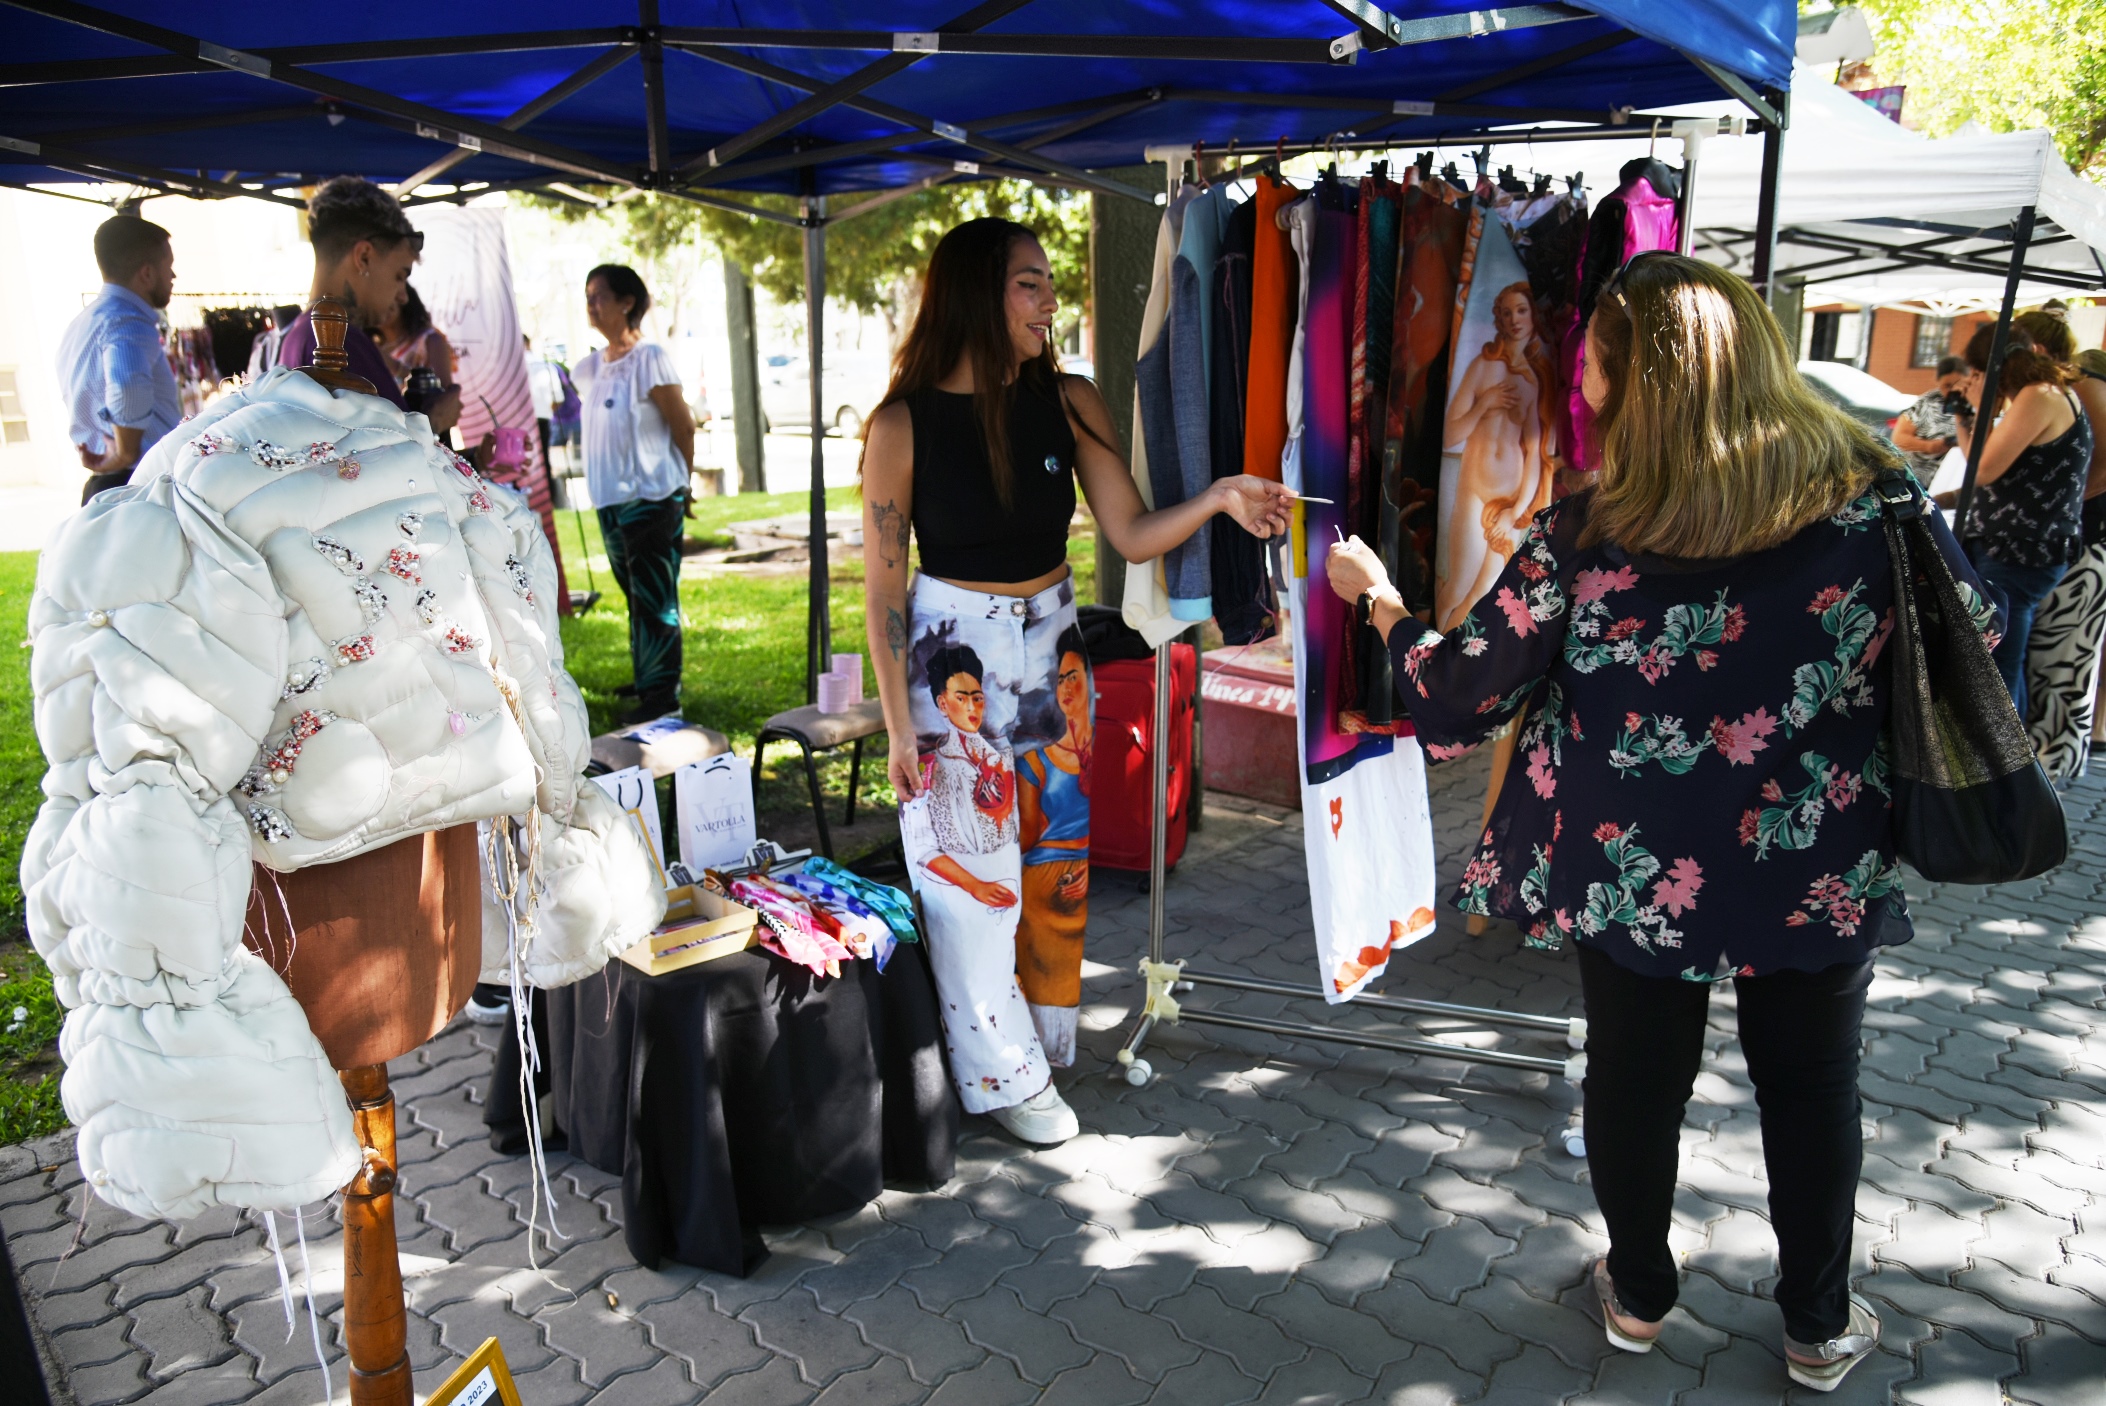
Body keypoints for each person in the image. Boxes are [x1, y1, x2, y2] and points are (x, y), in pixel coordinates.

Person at [1324, 251, 1998, 1394]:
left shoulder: (1593, 530)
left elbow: (1460, 690)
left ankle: (1637, 1291)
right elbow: (1969, 634)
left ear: (1644, 385)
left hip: (1636, 865)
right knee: (1813, 1086)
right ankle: (1819, 1326)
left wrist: (1381, 599)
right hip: (1816, 854)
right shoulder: (1876, 500)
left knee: (1636, 1083)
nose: (1579, 390)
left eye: (1593, 370)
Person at [862, 217, 1293, 1145]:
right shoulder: (902, 423)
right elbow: (885, 590)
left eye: (1047, 283)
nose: (1050, 299)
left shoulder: (1069, 398)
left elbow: (1130, 532)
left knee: (1053, 866)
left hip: (1055, 650)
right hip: (952, 659)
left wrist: (1221, 496)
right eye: (1030, 283)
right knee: (971, 880)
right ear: (979, 292)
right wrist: (899, 726)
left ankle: (1034, 1043)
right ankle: (1002, 1077)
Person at [1942, 321, 2093, 718]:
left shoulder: (2039, 396)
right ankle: (2009, 765)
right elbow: (1983, 462)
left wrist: (1976, 408)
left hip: (2020, 550)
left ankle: (2010, 769)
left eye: (1976, 375)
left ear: (1989, 368)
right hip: (2012, 546)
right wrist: (1969, 414)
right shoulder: (2043, 394)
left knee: (1998, 660)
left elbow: (1983, 469)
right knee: (1997, 658)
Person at [573, 263, 696, 724]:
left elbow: (682, 426)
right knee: (636, 594)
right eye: (588, 296)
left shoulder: (650, 359)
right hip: (609, 500)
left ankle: (664, 696)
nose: (591, 304)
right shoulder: (590, 367)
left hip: (651, 495)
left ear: (627, 301)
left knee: (654, 596)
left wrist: (683, 485)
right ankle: (650, 678)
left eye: (600, 294)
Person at [278, 177, 462, 437]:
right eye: (400, 275)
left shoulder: (299, 335)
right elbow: (379, 462)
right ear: (364, 257)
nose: (403, 297)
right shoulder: (340, 342)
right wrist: (434, 421)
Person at [2013, 316, 2106, 780]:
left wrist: (2048, 504)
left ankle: (2046, 764)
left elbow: (2092, 474)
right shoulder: (2078, 390)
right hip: (2080, 541)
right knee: (2063, 663)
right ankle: (2051, 762)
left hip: (2080, 541)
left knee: (2059, 661)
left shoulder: (2079, 391)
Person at [1439, 281, 1560, 630]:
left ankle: (1451, 671)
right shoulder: (1482, 367)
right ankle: (1427, 665)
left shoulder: (1537, 379)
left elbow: (1536, 455)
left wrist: (1516, 511)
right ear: (1498, 320)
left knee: (1482, 597)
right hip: (1474, 493)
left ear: (1533, 316)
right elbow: (1451, 434)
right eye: (1506, 312)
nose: (1514, 319)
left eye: (1521, 310)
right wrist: (1484, 405)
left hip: (1509, 501)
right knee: (1455, 587)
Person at [57, 213, 182, 503]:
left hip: (110, 483)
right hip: (139, 485)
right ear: (147, 273)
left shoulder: (82, 324)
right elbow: (127, 384)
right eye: (169, 267)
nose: (173, 277)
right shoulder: (127, 322)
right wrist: (125, 452)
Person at [1013, 624, 1092, 1067]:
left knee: (1069, 934)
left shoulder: (1086, 748)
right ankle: (1038, 1044)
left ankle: (1053, 1046)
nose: (1066, 688)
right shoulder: (1036, 761)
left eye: (1074, 675)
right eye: (1058, 679)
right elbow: (1028, 840)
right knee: (1053, 920)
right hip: (1050, 869)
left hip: (1077, 862)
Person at [1890, 355, 1969, 487]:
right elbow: (1898, 438)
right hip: (1920, 481)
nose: (1952, 390)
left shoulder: (1974, 404)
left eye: (1957, 384)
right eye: (1947, 386)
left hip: (1955, 480)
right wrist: (1930, 446)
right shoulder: (1927, 403)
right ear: (1937, 382)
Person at [525, 333, 559, 464]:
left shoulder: (508, 368)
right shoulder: (546, 366)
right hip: (542, 419)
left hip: (524, 422)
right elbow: (558, 400)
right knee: (543, 461)